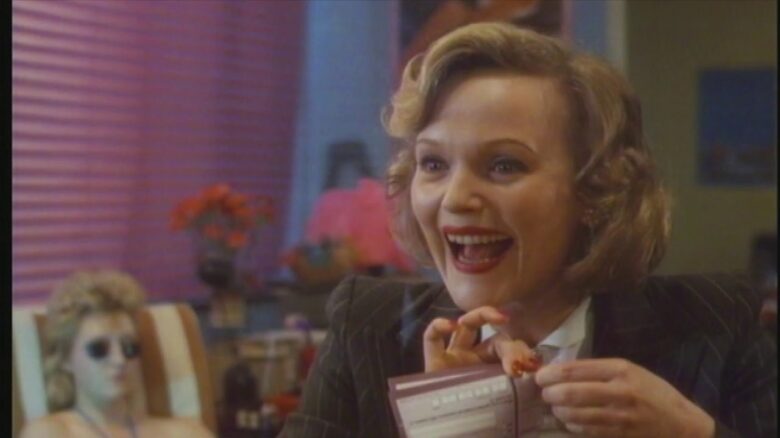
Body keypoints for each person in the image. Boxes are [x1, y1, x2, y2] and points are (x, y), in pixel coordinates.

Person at [280, 22, 777, 438]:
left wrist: (691, 433)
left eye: (503, 165)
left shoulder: (716, 322)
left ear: (596, 190)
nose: (455, 199)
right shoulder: (366, 327)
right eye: (433, 164)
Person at [19, 269, 214, 438]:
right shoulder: (50, 433)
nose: (119, 359)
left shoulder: (184, 433)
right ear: (65, 359)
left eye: (129, 347)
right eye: (99, 349)